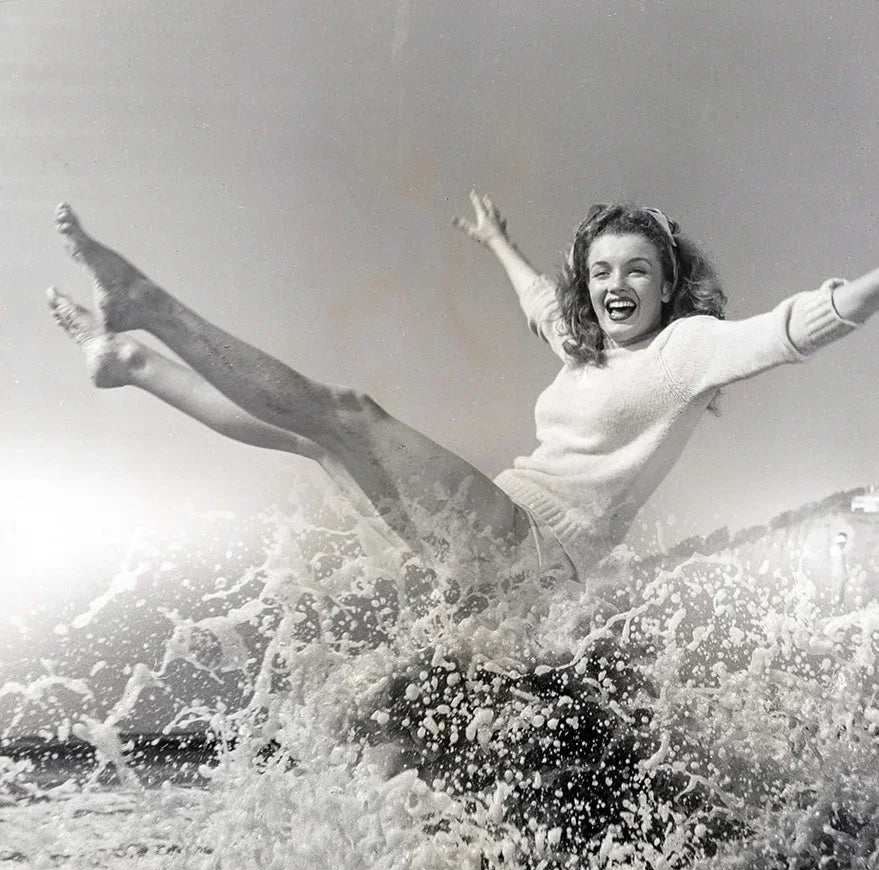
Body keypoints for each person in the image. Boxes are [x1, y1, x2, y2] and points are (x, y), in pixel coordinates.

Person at [46, 195, 877, 587]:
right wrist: (497, 242)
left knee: (350, 416)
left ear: (668, 284)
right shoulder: (583, 342)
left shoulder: (688, 350)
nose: (614, 286)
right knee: (316, 441)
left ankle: (146, 302)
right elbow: (539, 304)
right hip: (496, 534)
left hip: (533, 550)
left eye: (636, 271)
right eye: (599, 271)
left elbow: (797, 325)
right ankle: (131, 362)